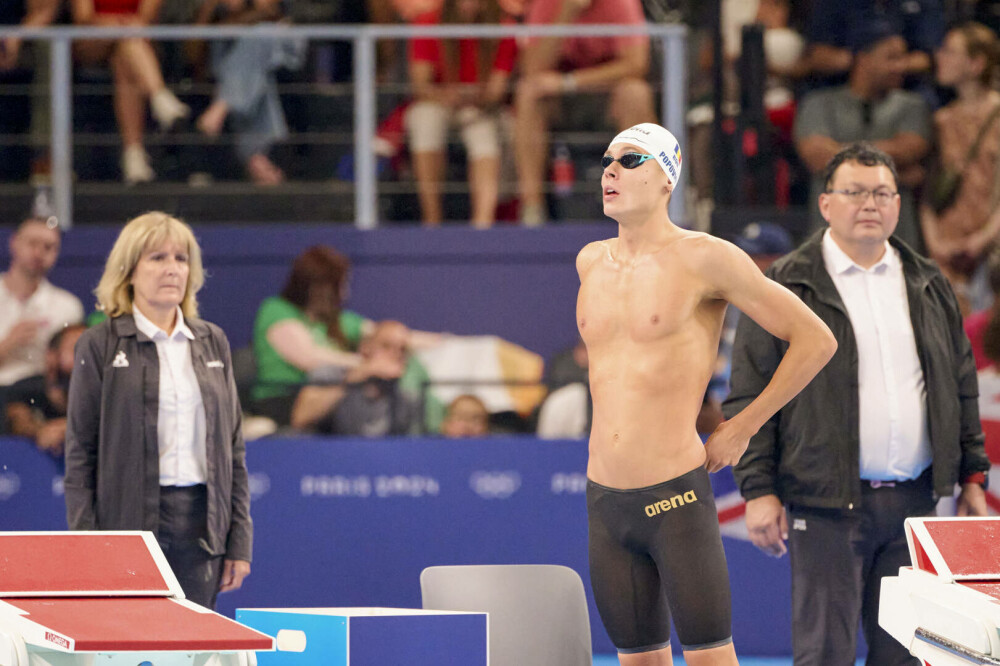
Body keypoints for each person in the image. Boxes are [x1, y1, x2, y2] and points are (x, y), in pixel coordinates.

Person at [578, 123, 836, 665]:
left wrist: (742, 426)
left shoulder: (706, 258)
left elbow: (816, 340)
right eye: (607, 159)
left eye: (630, 160)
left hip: (674, 495)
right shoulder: (590, 262)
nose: (610, 170)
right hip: (603, 499)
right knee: (638, 659)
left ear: (667, 180)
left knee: (709, 658)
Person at [724, 142, 990, 666]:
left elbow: (961, 387)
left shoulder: (929, 283)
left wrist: (973, 479)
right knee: (825, 654)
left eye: (882, 193)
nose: (870, 203)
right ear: (825, 204)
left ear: (897, 204)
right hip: (824, 503)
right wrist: (757, 489)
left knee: (909, 656)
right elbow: (750, 394)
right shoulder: (785, 284)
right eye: (855, 192)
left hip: (916, 504)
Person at [64, 212, 252, 610]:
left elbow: (233, 450)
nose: (172, 269)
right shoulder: (99, 344)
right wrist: (85, 542)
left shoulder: (212, 341)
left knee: (192, 648)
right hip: (126, 525)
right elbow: (81, 451)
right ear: (129, 271)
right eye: (157, 258)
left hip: (203, 527)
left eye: (181, 259)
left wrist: (239, 541)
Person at [794, 19, 931, 252]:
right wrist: (893, 167)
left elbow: (910, 148)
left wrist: (838, 156)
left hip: (897, 246)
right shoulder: (818, 104)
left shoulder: (913, 106)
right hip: (829, 249)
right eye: (891, 58)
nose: (901, 66)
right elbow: (816, 156)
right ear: (863, 59)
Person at [514, 0, 656, 226]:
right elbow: (532, 68)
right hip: (559, 101)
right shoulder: (544, 4)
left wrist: (569, 82)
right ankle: (532, 210)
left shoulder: (622, 4)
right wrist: (565, 13)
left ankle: (642, 205)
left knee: (636, 93)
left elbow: (636, 64)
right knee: (527, 94)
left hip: (605, 93)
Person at [405, 0, 517, 227]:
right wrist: (447, 97)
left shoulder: (503, 27)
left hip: (480, 105)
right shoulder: (427, 23)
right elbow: (421, 85)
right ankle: (432, 220)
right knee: (425, 122)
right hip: (437, 100)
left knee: (485, 135)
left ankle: (482, 224)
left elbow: (496, 90)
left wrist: (474, 98)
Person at [921, 22, 1000, 314]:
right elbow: (929, 191)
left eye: (951, 51)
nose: (940, 57)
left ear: (977, 63)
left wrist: (982, 240)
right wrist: (936, 243)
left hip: (989, 251)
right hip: (946, 251)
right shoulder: (942, 120)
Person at [70, 0, 191, 184]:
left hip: (134, 38)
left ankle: (134, 156)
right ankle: (159, 97)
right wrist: (116, 25)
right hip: (94, 39)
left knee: (123, 57)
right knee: (127, 40)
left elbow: (147, 16)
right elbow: (83, 18)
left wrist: (123, 27)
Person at [194, 0, 306, 186]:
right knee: (258, 81)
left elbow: (276, 16)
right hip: (257, 80)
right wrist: (208, 12)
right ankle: (255, 155)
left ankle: (223, 106)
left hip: (282, 45)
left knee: (258, 35)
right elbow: (193, 52)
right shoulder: (220, 20)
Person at [291, 320, 422, 436]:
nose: (396, 354)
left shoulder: (406, 397)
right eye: (386, 346)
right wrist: (354, 378)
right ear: (365, 347)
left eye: (402, 349)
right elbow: (301, 417)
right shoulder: (331, 375)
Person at [0, 218, 84, 391]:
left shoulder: (67, 307)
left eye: (48, 247)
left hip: (43, 401)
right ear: (14, 242)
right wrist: (8, 343)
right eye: (32, 243)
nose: (38, 253)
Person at [4, 323, 85, 455]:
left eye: (95, 351)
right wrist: (40, 431)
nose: (88, 359)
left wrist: (71, 428)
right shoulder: (22, 391)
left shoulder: (108, 396)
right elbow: (18, 422)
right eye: (77, 349)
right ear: (51, 356)